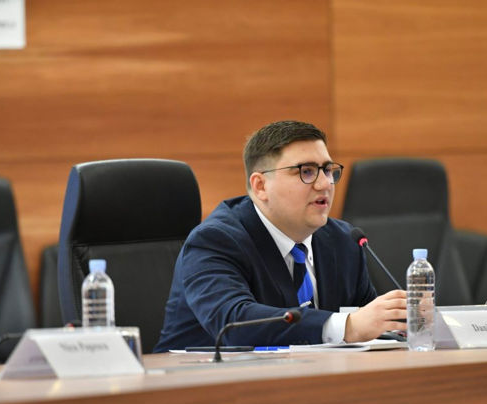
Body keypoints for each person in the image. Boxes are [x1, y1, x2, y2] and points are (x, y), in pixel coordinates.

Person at [154, 120, 406, 351]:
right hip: (202, 379)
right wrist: (346, 326)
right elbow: (233, 324)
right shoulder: (215, 240)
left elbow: (368, 324)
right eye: (306, 171)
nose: (325, 184)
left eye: (328, 170)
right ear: (260, 186)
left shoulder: (343, 240)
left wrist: (402, 320)